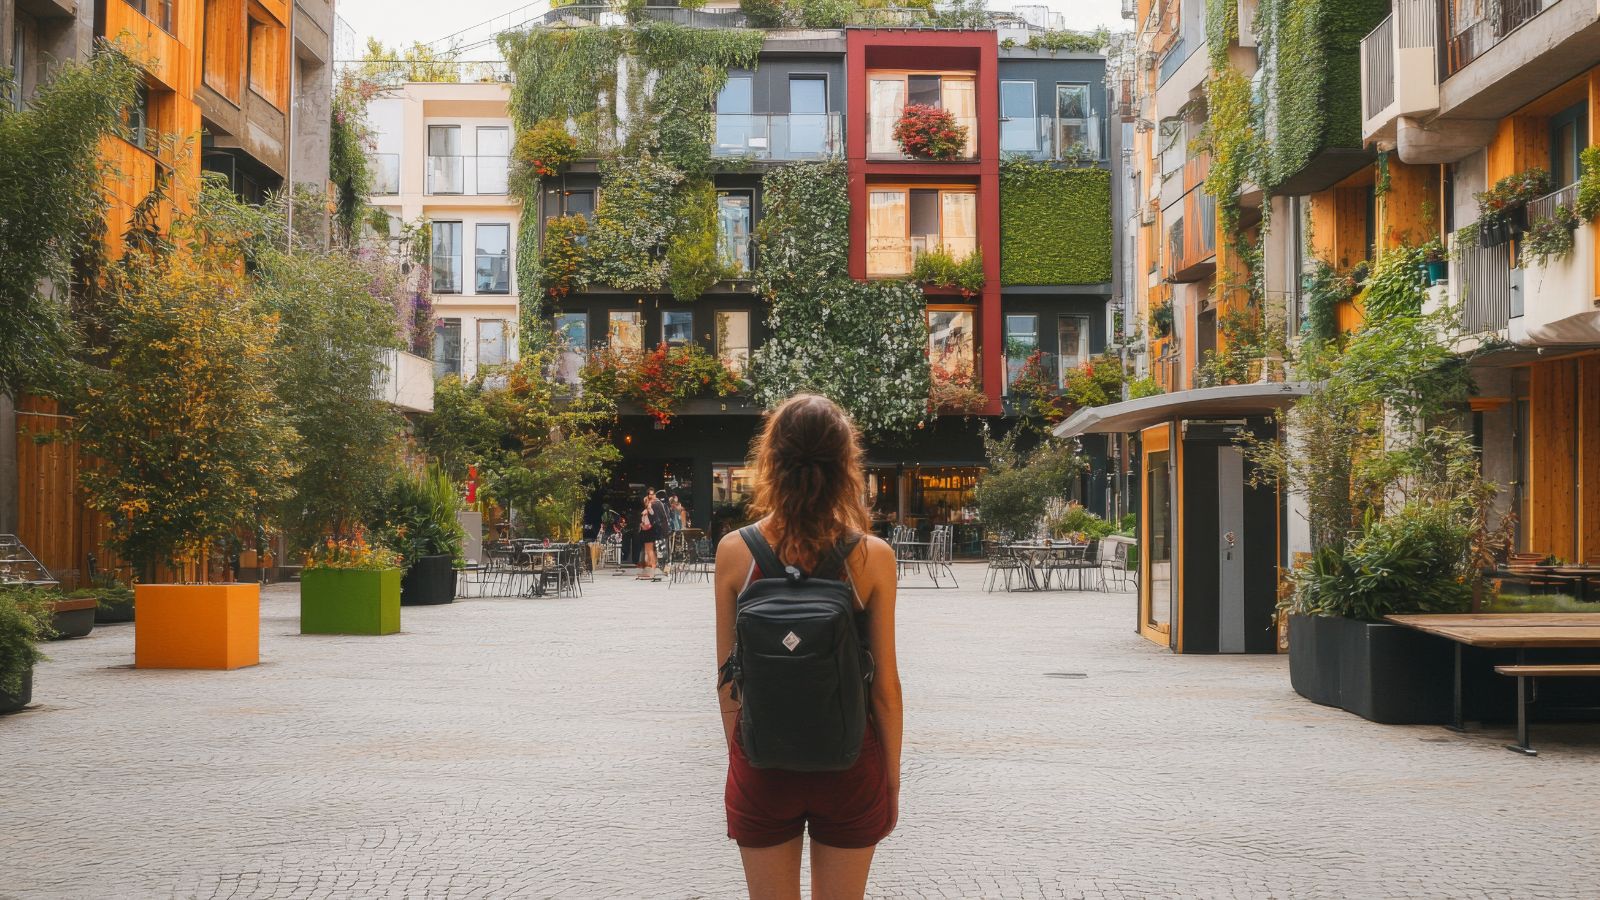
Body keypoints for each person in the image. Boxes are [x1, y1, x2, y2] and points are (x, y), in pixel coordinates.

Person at [714, 393, 902, 899]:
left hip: (763, 761)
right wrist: (890, 781)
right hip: (848, 763)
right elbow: (884, 689)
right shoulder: (873, 558)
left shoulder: (735, 553)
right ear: (846, 465)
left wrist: (746, 759)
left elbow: (728, 685)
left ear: (770, 461)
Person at [638, 489, 668, 581]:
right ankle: (650, 569)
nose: (645, 502)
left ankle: (653, 569)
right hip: (647, 531)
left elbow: (651, 517)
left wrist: (643, 524)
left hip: (649, 531)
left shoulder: (650, 508)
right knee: (648, 550)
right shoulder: (648, 508)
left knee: (650, 551)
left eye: (645, 501)